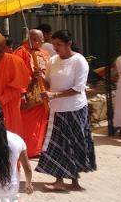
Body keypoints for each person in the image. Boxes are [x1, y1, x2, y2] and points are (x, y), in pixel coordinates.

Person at [35, 30, 97, 191]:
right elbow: (48, 83)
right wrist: (40, 78)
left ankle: (75, 181)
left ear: (68, 44)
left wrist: (54, 94)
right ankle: (59, 179)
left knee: (74, 144)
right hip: (57, 109)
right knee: (58, 144)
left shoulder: (79, 61)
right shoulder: (53, 61)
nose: (55, 48)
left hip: (75, 109)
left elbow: (78, 88)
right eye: (54, 44)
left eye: (59, 45)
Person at [0, 35, 31, 136]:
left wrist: (2, 100)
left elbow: (20, 86)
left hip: (8, 104)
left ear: (5, 48)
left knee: (10, 135)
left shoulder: (16, 61)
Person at [14, 29, 49, 157]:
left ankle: (38, 148)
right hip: (28, 94)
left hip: (43, 93)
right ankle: (27, 150)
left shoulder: (43, 52)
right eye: (41, 39)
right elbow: (17, 73)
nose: (43, 41)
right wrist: (31, 78)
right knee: (28, 124)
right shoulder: (21, 52)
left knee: (41, 123)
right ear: (32, 39)